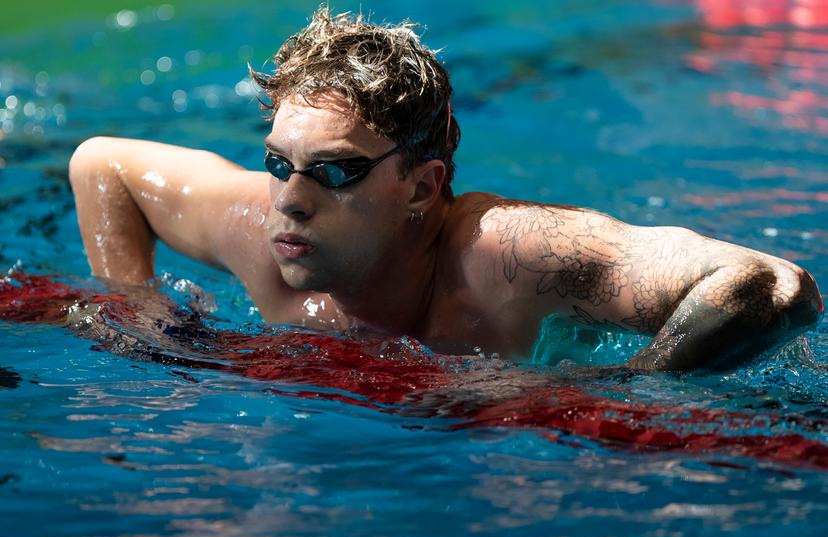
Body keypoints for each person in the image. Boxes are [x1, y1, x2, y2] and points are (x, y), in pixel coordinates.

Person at [68, 8, 823, 372]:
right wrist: (138, 310)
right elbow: (102, 162)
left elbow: (774, 283)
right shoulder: (257, 228)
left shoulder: (509, 255)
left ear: (423, 188)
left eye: (336, 170)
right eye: (277, 163)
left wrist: (633, 386)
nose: (290, 199)